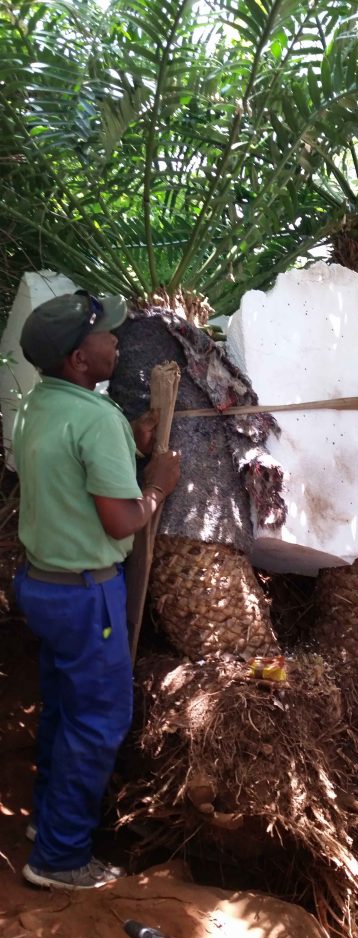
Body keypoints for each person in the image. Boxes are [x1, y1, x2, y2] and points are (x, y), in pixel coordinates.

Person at [12, 290, 181, 890]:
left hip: (42, 585)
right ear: (80, 359)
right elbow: (122, 522)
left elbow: (72, 470)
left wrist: (123, 450)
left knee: (63, 706)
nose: (118, 342)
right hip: (87, 596)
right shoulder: (96, 418)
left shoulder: (40, 404)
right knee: (100, 719)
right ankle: (59, 858)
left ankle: (47, 823)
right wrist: (156, 485)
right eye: (107, 336)